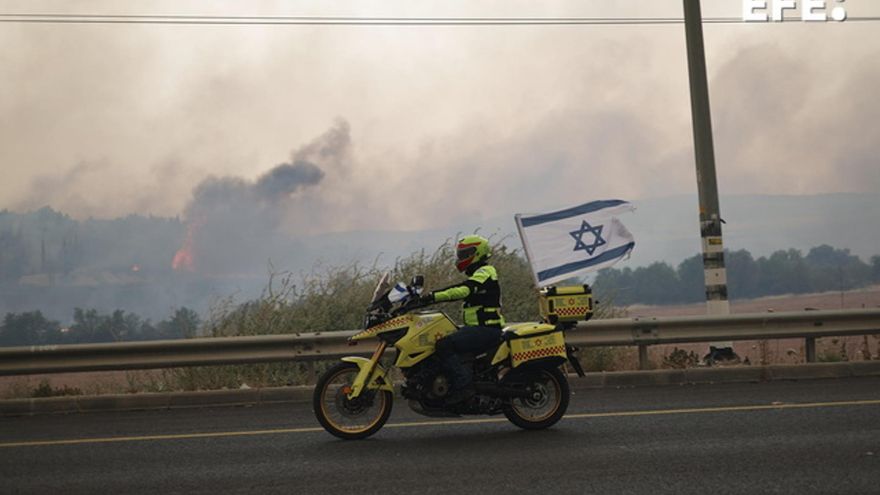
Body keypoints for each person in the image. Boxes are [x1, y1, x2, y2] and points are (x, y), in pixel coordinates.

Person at [419, 235, 506, 404]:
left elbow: (464, 290)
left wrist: (432, 296)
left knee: (444, 345)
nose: (461, 258)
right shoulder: (478, 274)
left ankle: (464, 387)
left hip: (487, 329)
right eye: (461, 254)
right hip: (478, 328)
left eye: (466, 253)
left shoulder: (486, 272)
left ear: (478, 253)